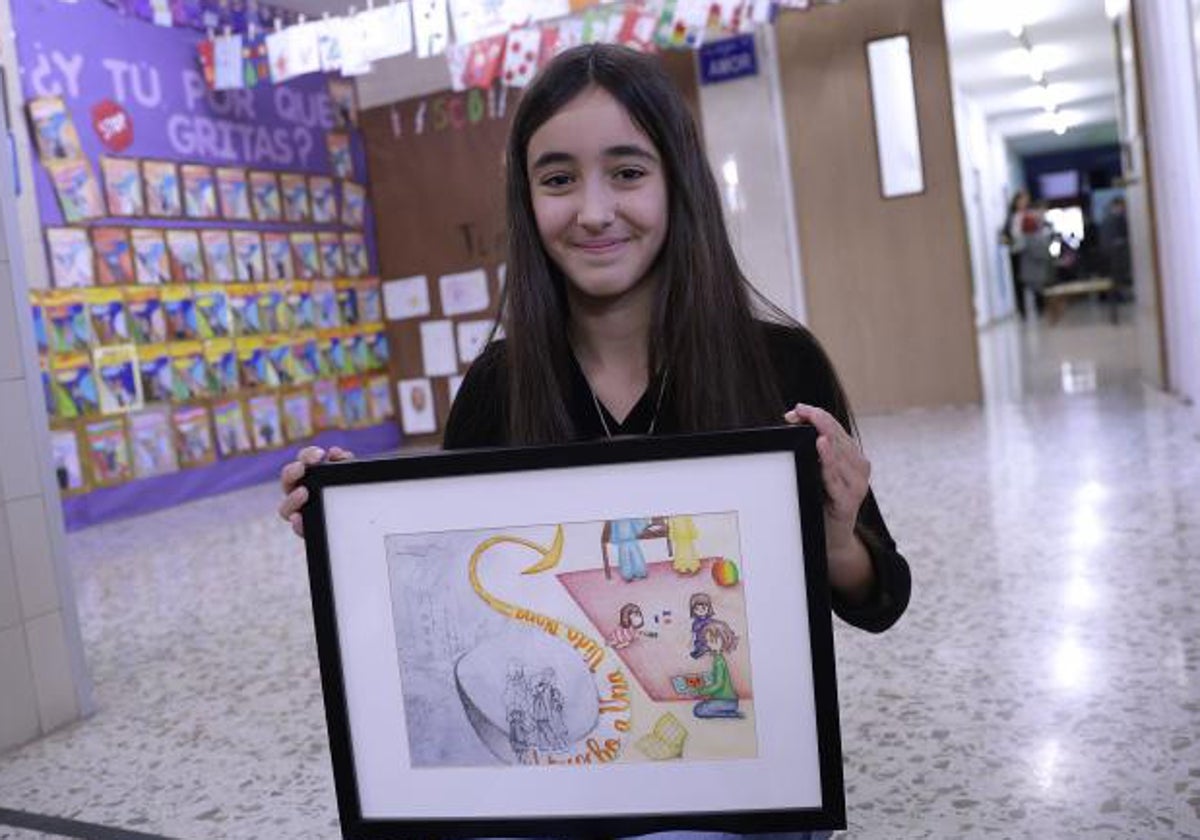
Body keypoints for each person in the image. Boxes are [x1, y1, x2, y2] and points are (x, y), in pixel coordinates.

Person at [279, 43, 911, 840]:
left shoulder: (780, 365)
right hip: (557, 789)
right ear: (527, 199)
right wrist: (352, 538)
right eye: (557, 179)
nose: (594, 211)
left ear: (678, 181)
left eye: (627, 171)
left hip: (737, 790)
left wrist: (837, 540)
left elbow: (880, 599)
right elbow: (466, 613)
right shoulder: (496, 388)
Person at [689, 619, 742, 720]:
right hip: (727, 701)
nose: (709, 644)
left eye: (713, 641)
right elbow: (717, 678)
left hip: (726, 701)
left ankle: (730, 714)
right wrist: (704, 681)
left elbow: (717, 685)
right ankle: (728, 711)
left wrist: (700, 692)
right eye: (708, 641)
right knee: (701, 707)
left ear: (724, 641)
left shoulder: (718, 661)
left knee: (698, 710)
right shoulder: (718, 658)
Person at [1003, 189, 1031, 319]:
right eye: (1021, 200)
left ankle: (1038, 304)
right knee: (1018, 280)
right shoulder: (1011, 217)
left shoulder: (1029, 214)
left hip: (1029, 251)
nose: (1023, 203)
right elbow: (1006, 233)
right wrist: (1009, 240)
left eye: (1025, 200)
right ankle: (1022, 309)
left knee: (1032, 277)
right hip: (1015, 251)